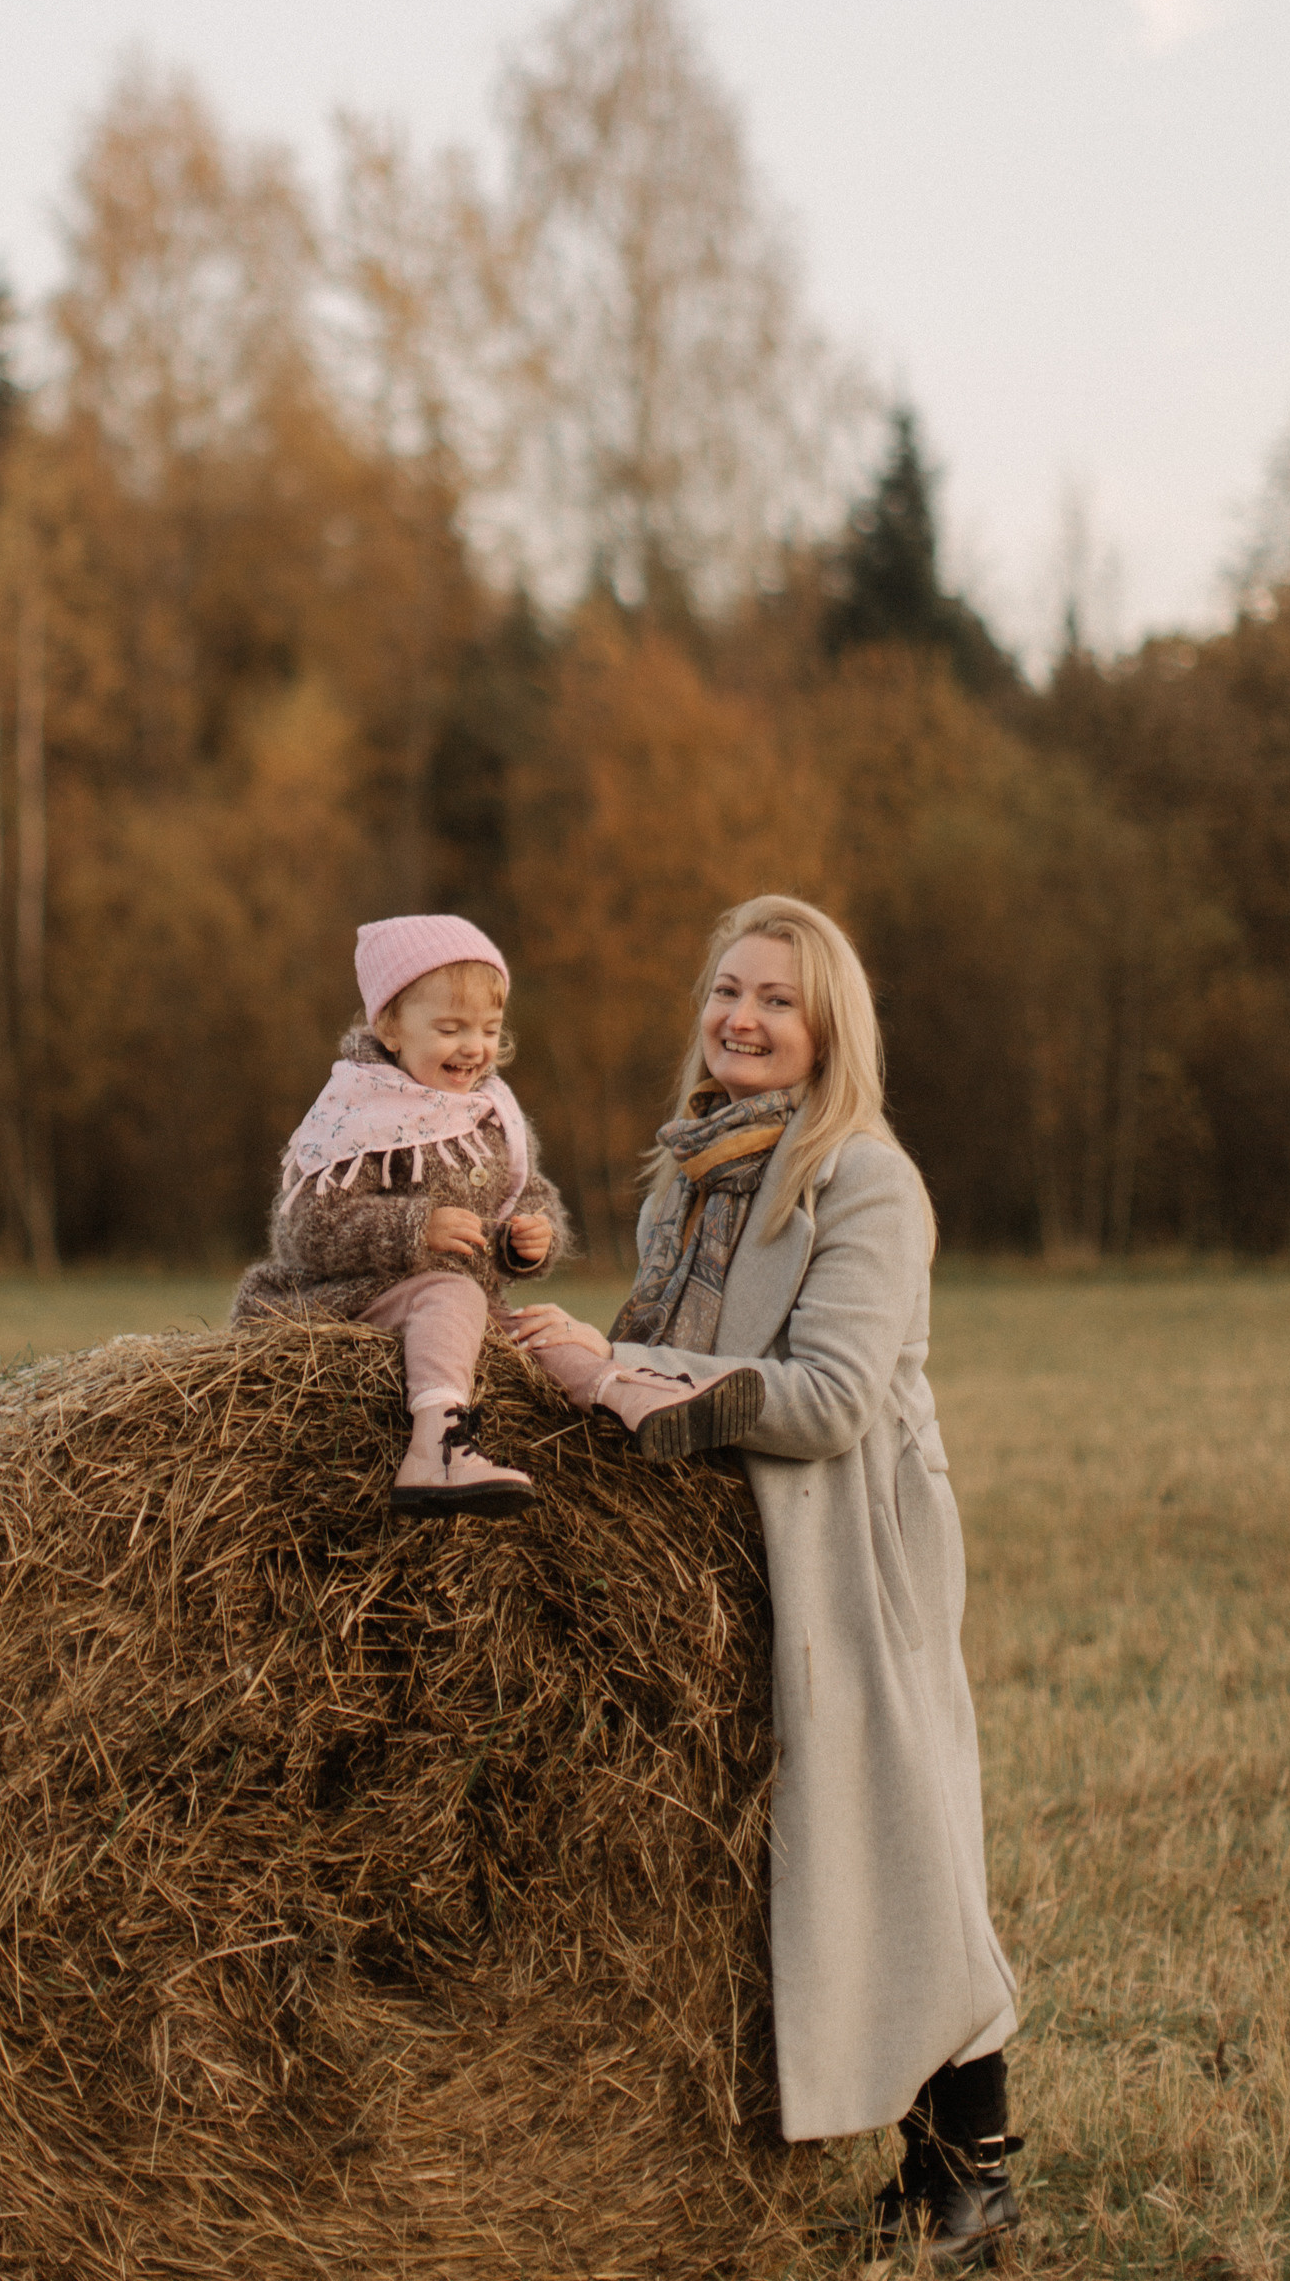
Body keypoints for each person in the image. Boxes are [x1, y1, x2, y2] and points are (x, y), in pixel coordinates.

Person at [509, 893, 1022, 2267]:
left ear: (826, 1029)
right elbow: (672, 1342)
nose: (742, 1016)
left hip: (855, 1536)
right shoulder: (693, 1171)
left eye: (777, 1000)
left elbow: (828, 1401)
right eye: (728, 991)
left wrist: (617, 1376)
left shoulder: (864, 1179)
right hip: (732, 1536)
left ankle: (972, 2177)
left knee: (900, 1834)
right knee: (792, 1847)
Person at [233, 914, 765, 1516]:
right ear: (389, 1026)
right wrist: (414, 1229)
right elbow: (303, 1231)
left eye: (489, 1029)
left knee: (542, 1329)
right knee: (455, 1294)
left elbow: (526, 1192)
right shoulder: (358, 1112)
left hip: (463, 1310)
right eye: (450, 1028)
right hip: (357, 1298)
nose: (474, 1048)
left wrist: (529, 1238)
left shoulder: (489, 1113)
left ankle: (634, 1397)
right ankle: (434, 1446)